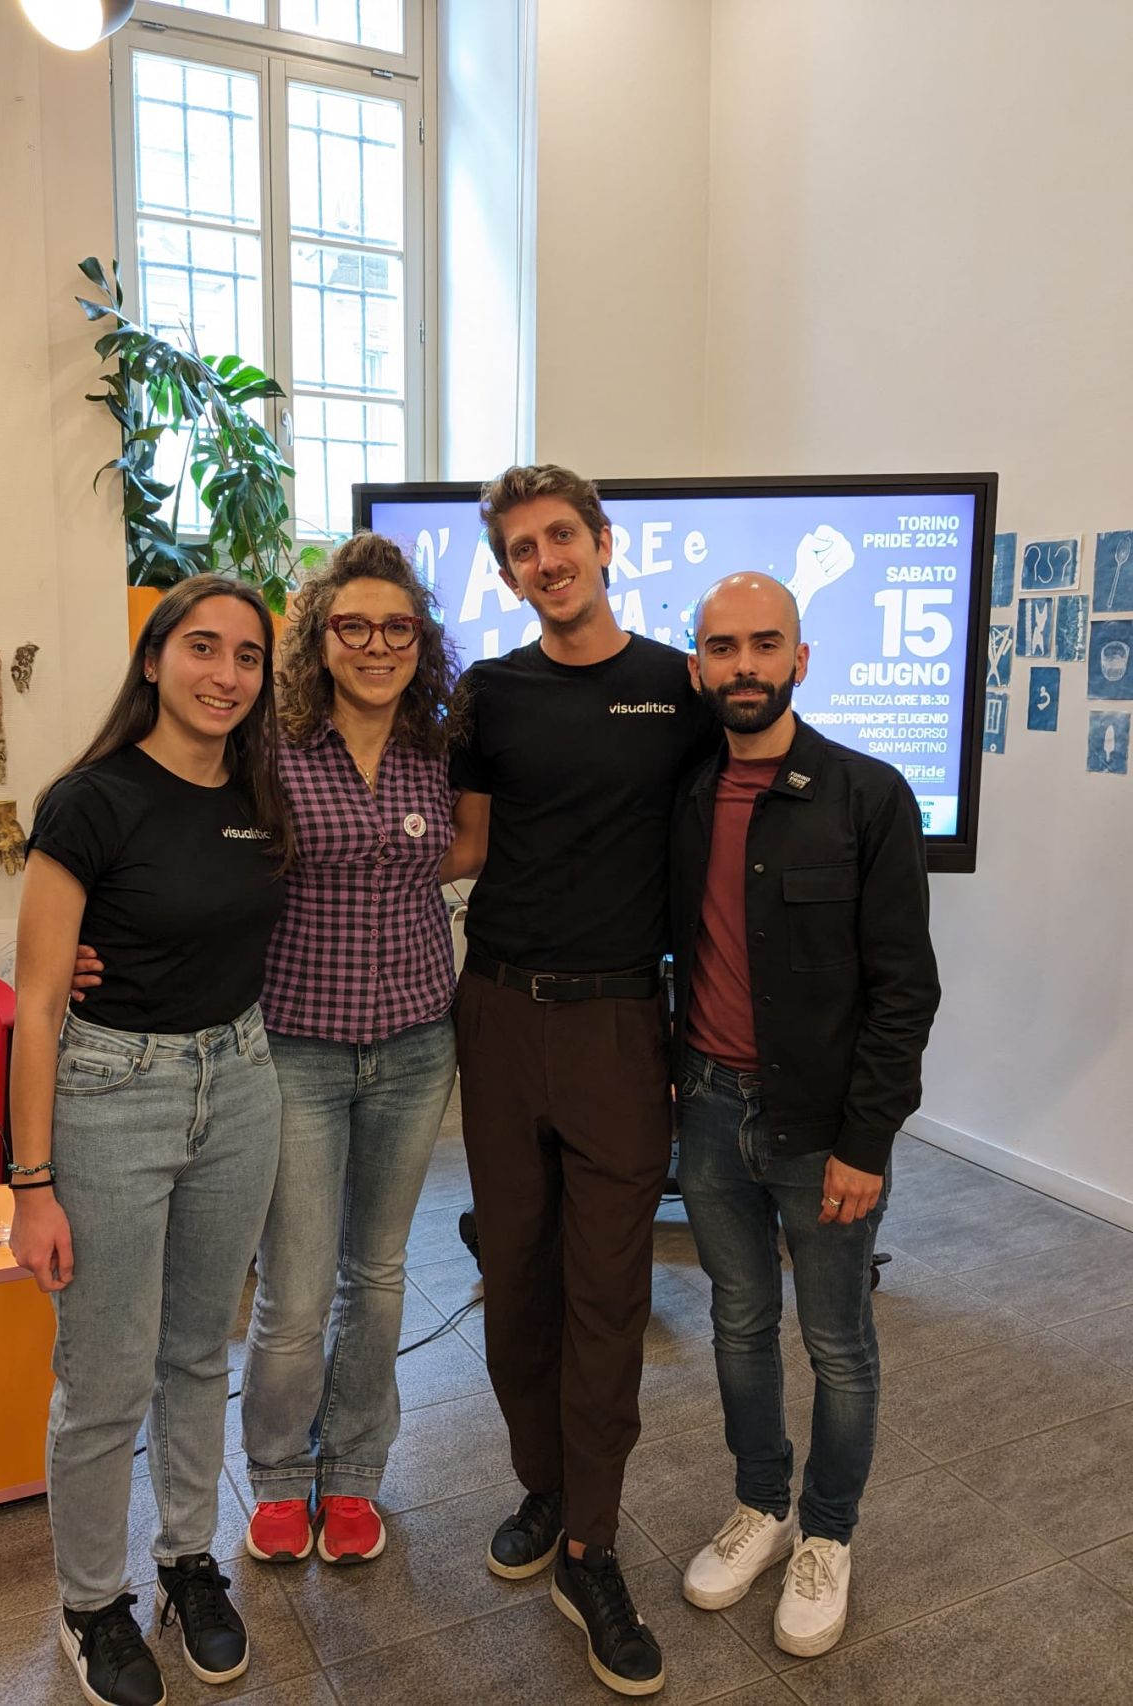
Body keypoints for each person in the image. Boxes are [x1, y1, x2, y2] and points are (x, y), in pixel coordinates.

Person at [449, 464, 714, 1697]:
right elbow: (453, 846)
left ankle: (590, 1547)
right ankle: (541, 1487)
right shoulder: (486, 694)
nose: (546, 560)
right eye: (522, 548)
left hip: (618, 1023)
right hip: (497, 1015)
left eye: (562, 537)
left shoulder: (675, 687)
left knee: (606, 1295)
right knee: (515, 1282)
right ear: (506, 572)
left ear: (602, 545)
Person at [10, 575, 291, 1706]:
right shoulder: (89, 798)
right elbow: (35, 1001)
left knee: (194, 1352)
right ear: (154, 657)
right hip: (112, 1090)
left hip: (241, 1079)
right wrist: (32, 1182)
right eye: (202, 648)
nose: (225, 673)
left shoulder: (260, 791)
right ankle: (90, 1600)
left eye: (248, 657)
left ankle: (187, 1562)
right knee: (104, 1376)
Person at [669, 572, 940, 1657]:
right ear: (695, 667)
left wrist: (866, 1140)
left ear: (799, 657)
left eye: (761, 643)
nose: (742, 664)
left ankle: (827, 1532)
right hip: (705, 1108)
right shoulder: (683, 795)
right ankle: (761, 1505)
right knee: (736, 1325)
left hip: (821, 1124)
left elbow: (902, 989)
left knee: (836, 1343)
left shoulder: (867, 794)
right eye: (720, 647)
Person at [240, 532, 471, 1568]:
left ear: (418, 640)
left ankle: (354, 1476)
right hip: (297, 1045)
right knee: (294, 1284)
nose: (376, 642)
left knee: (375, 1274)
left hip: (418, 1040)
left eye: (396, 626)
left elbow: (466, 848)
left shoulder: (439, 746)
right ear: (318, 638)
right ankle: (282, 1476)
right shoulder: (271, 745)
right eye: (353, 624)